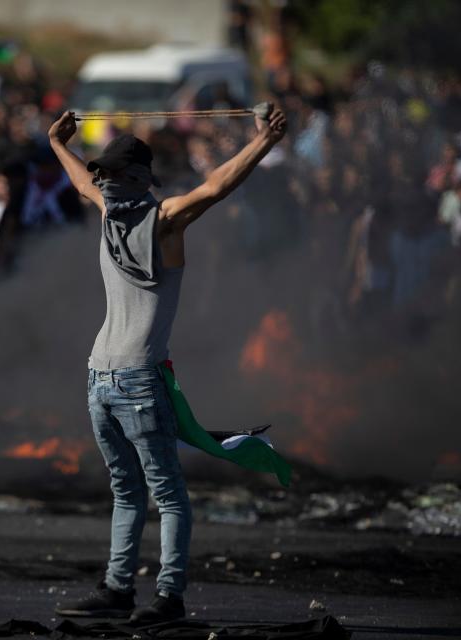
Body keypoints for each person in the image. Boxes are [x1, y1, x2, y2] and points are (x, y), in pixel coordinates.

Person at [47, 104, 287, 624]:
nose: (101, 180)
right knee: (128, 491)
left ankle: (169, 599)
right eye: (101, 173)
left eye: (110, 173)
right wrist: (57, 145)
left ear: (137, 179)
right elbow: (80, 182)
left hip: (133, 380)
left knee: (168, 495)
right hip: (101, 381)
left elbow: (214, 187)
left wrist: (264, 142)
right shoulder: (113, 211)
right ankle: (117, 589)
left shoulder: (164, 222)